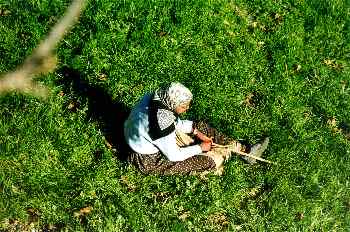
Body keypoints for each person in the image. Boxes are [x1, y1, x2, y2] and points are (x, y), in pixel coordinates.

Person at [123, 82, 268, 175]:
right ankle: (220, 156)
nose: (187, 109)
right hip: (145, 157)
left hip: (138, 133)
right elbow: (174, 155)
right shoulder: (161, 124)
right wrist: (200, 148)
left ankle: (242, 150)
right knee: (210, 160)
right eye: (184, 106)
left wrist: (196, 132)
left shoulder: (155, 98)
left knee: (198, 126)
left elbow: (175, 123)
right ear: (174, 103)